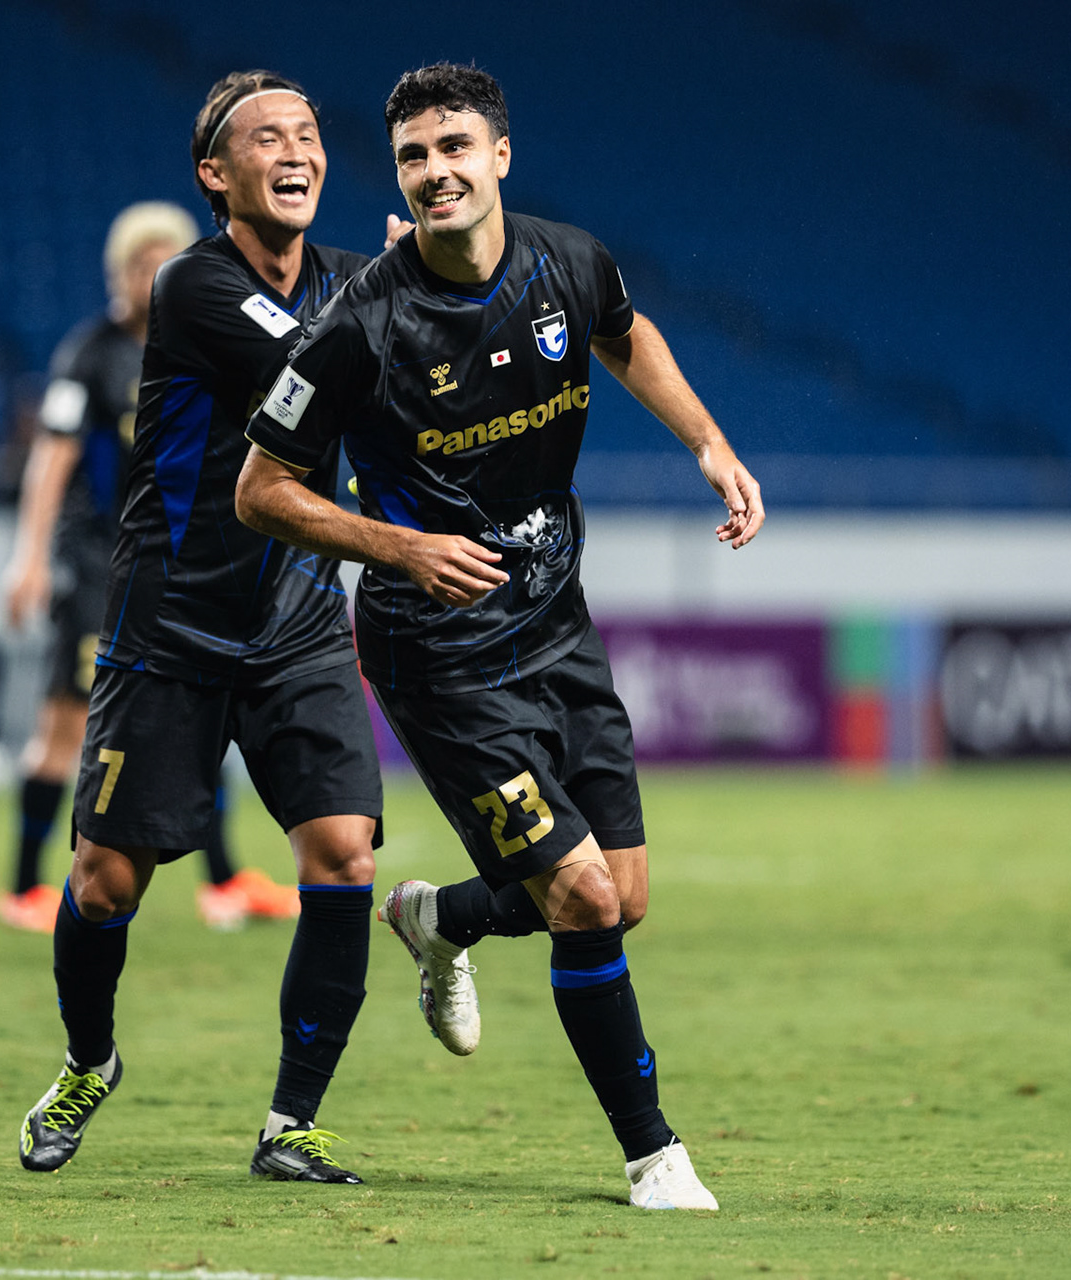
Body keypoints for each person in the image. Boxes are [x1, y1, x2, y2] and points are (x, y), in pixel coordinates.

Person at [235, 63, 765, 1211]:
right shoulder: (357, 324)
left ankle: (440, 917)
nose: (435, 172)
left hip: (556, 621)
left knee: (621, 896)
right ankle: (652, 1153)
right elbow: (261, 490)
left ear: (501, 157)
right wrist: (400, 546)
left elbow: (627, 338)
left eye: (455, 148)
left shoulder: (568, 259)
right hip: (437, 649)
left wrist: (708, 446)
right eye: (415, 156)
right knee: (579, 897)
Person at [16, 70, 385, 1185]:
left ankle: (293, 1121)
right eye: (267, 136)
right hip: (169, 628)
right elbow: (323, 374)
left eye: (310, 133)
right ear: (213, 174)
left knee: (343, 852)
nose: (297, 149)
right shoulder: (191, 286)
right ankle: (89, 1057)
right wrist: (409, 304)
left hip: (299, 624)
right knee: (103, 883)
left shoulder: (355, 281)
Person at [0, 202, 299, 935]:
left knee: (208, 711)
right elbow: (53, 458)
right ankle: (23, 886)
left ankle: (224, 882)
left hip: (189, 568)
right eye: (141, 264)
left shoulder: (207, 343)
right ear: (119, 275)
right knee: (69, 726)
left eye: (168, 260)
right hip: (104, 568)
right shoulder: (90, 353)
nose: (155, 275)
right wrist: (28, 557)